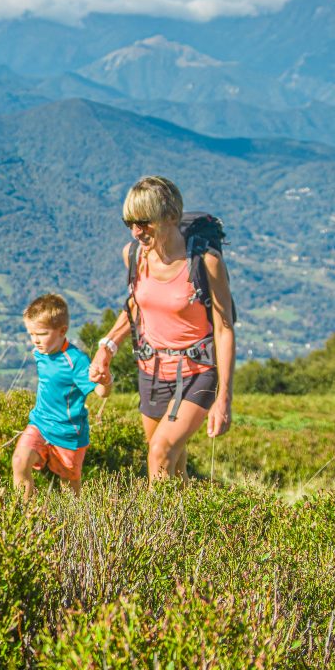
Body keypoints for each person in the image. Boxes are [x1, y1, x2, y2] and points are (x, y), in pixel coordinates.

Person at [89, 175, 234, 483]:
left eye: (144, 222)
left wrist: (224, 398)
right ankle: (184, 527)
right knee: (171, 462)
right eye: (129, 223)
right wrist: (107, 348)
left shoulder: (206, 262)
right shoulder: (134, 256)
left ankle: (158, 529)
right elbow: (136, 306)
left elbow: (224, 329)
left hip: (197, 371)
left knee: (159, 452)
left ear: (170, 217)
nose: (136, 232)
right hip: (153, 370)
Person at [11, 293, 109, 500]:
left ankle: (74, 527)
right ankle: (24, 518)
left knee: (70, 490)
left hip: (68, 434)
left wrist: (105, 380)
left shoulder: (76, 361)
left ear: (62, 331)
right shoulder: (41, 352)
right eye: (31, 334)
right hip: (40, 423)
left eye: (42, 334)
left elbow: (101, 393)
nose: (35, 340)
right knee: (19, 461)